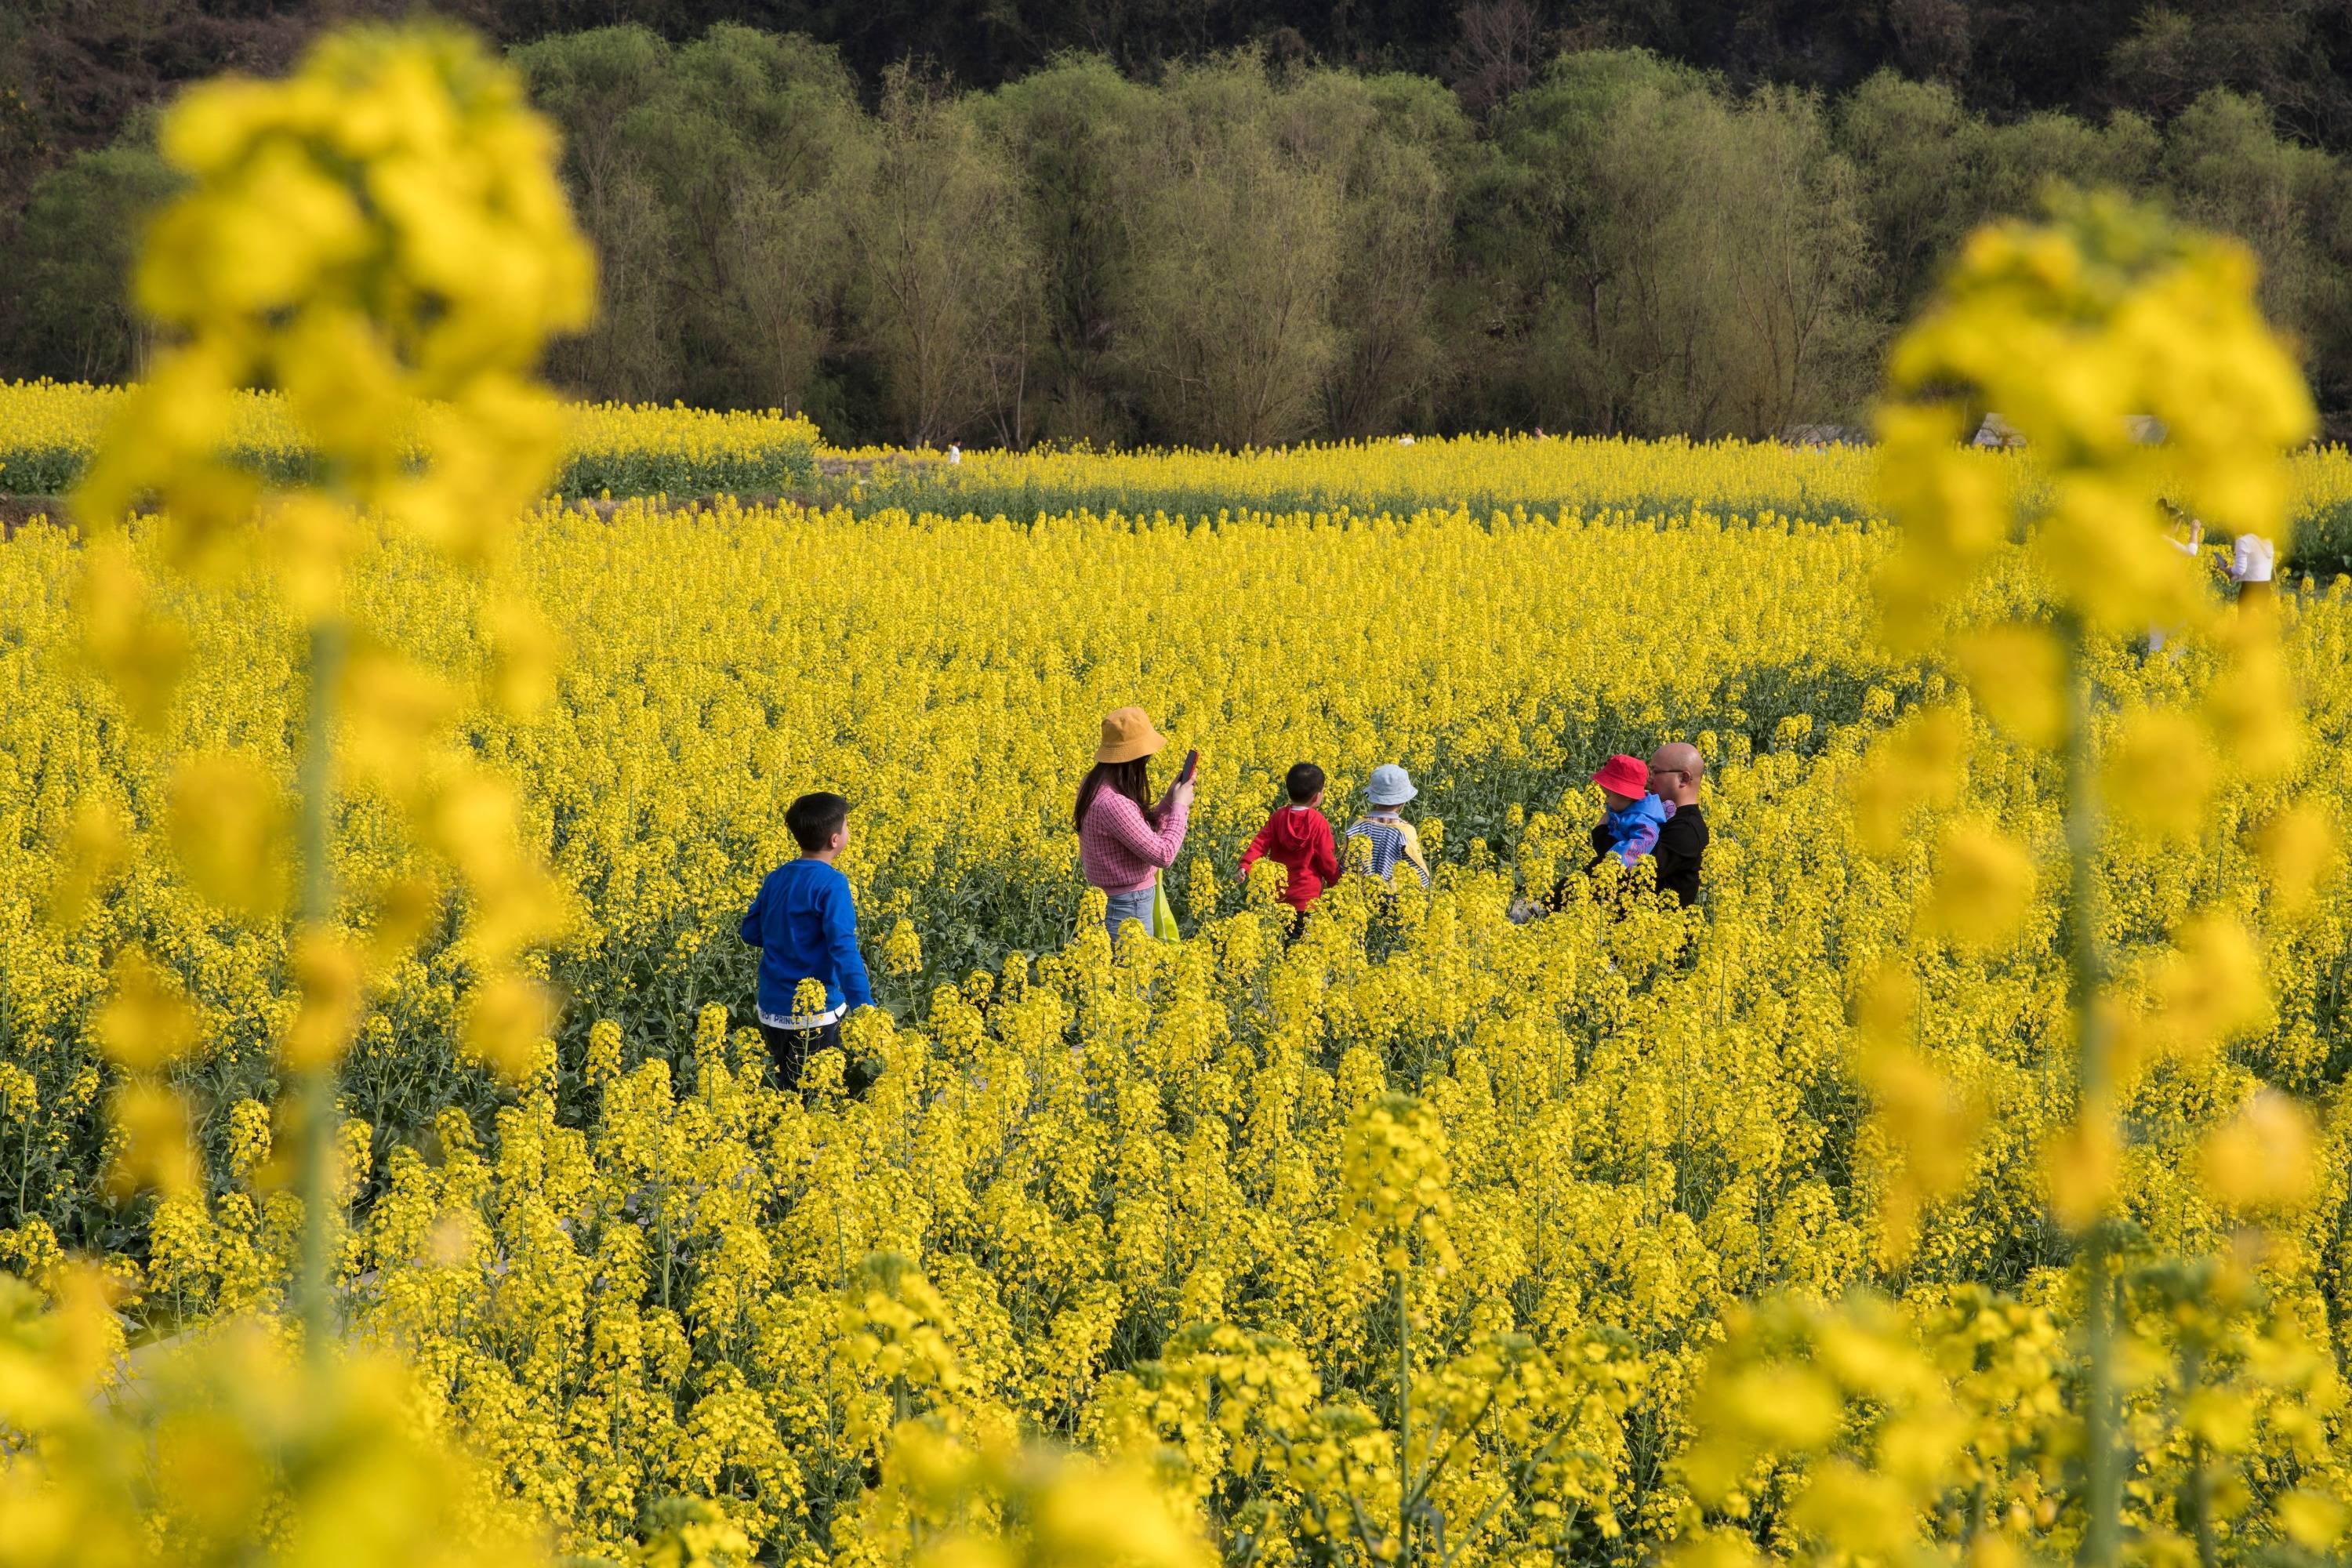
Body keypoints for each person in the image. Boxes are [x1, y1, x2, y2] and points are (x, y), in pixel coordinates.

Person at [740, 791, 877, 1094]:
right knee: (817, 1097)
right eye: (846, 826)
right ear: (835, 840)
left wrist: (785, 935)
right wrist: (864, 1007)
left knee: (788, 1091)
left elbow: (750, 932)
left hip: (773, 1011)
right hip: (818, 1014)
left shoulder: (776, 877)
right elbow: (843, 949)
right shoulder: (832, 883)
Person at [1076, 706, 1194, 941]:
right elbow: (1164, 854)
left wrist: (1169, 802)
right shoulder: (1113, 804)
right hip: (1128, 907)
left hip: (1115, 902)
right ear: (1133, 759)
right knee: (1133, 976)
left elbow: (1137, 832)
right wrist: (1181, 807)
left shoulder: (1094, 783)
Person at [1238, 761, 1341, 929]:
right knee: (1303, 947)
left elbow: (1260, 843)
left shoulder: (1278, 817)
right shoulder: (1319, 822)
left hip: (1277, 896)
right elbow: (1326, 858)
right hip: (1307, 900)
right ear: (1317, 797)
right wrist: (1336, 883)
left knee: (1279, 942)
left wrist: (1246, 865)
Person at [1345, 764, 1431, 889]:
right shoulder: (1406, 831)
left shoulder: (1358, 825)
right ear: (1403, 802)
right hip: (1393, 898)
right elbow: (1416, 866)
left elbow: (1346, 862)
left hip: (1359, 893)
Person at [1648, 742, 1708, 908]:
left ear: (1684, 778)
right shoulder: (1662, 816)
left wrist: (1602, 828)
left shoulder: (1686, 830)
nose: (1649, 778)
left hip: (1657, 930)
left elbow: (1633, 868)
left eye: (1656, 772)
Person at [1586, 753, 1668, 872]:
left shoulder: (1644, 822)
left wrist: (1600, 834)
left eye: (1608, 796)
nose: (1606, 800)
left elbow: (1630, 856)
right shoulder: (1622, 807)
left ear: (1628, 796)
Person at [2230, 530, 2275, 608]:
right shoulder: (2268, 542)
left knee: (2245, 619)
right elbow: (2258, 570)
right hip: (2265, 589)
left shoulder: (2244, 541)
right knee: (2263, 619)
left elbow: (2240, 570)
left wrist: (2226, 570)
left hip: (2249, 590)